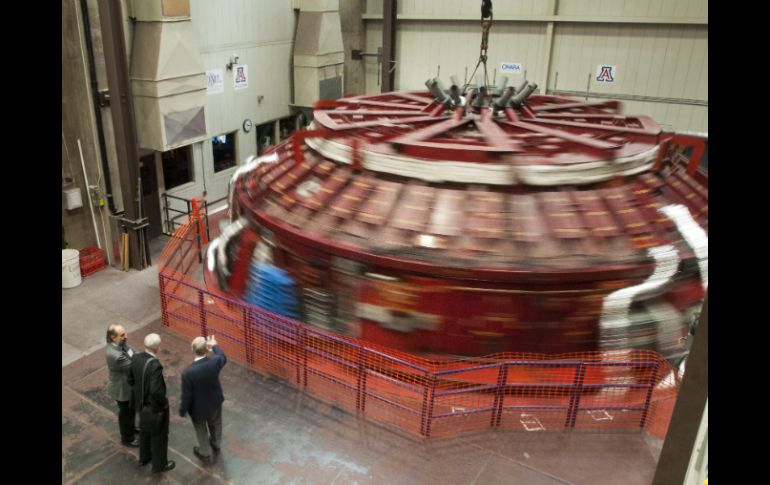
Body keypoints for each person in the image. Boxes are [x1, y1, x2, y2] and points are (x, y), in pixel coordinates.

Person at [128, 333, 175, 473]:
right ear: (157, 348)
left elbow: (130, 380)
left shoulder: (135, 358)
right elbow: (156, 391)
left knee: (144, 432)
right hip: (153, 408)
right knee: (159, 436)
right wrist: (163, 404)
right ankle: (160, 465)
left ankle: (144, 458)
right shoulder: (155, 366)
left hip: (140, 405)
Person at [179, 335, 227, 463]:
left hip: (198, 408)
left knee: (200, 430)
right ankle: (216, 443)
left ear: (192, 350)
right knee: (216, 423)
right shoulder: (214, 362)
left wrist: (183, 410)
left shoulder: (187, 373)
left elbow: (186, 395)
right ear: (207, 349)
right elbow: (223, 356)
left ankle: (204, 452)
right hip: (215, 402)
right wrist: (215, 345)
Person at [105, 324, 138, 447]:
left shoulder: (121, 344)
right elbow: (132, 366)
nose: (126, 337)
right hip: (122, 390)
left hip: (128, 386)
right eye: (122, 335)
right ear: (113, 337)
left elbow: (134, 352)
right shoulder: (115, 355)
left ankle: (132, 428)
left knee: (131, 410)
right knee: (125, 414)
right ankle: (127, 438)